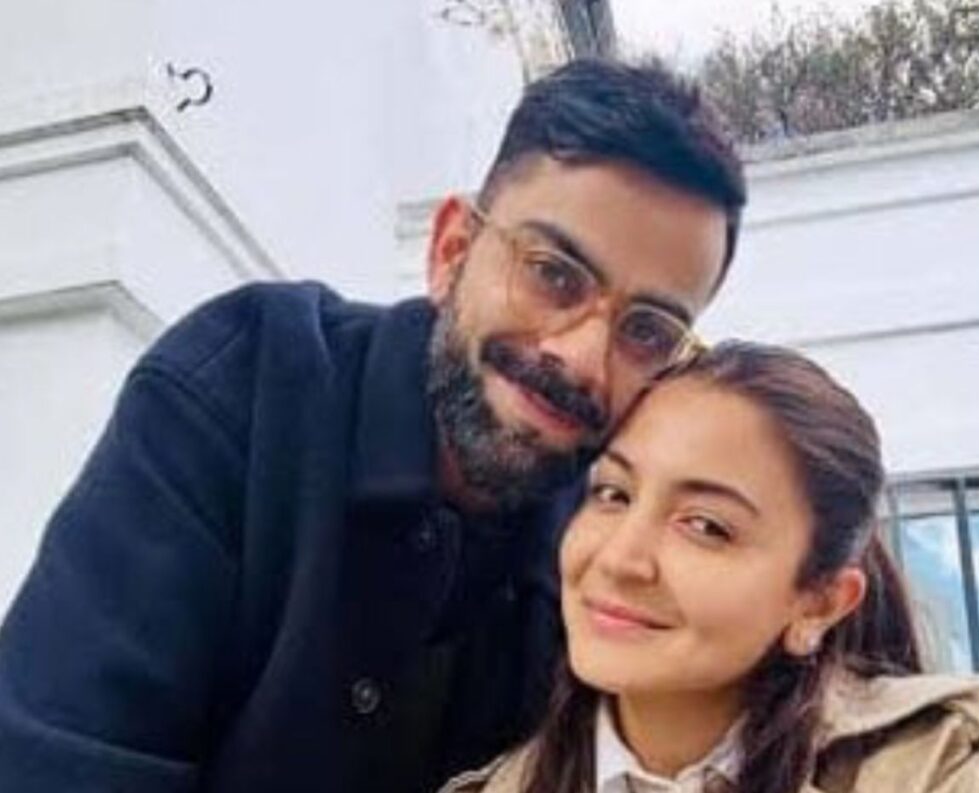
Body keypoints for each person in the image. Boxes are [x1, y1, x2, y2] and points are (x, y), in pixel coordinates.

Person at [0, 59, 746, 792]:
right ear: (451, 251)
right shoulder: (238, 386)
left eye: (647, 330)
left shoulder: (603, 556)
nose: (584, 359)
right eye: (553, 273)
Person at [440, 341, 979, 793]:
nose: (619, 559)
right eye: (613, 494)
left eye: (706, 526)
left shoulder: (952, 773)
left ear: (819, 604)